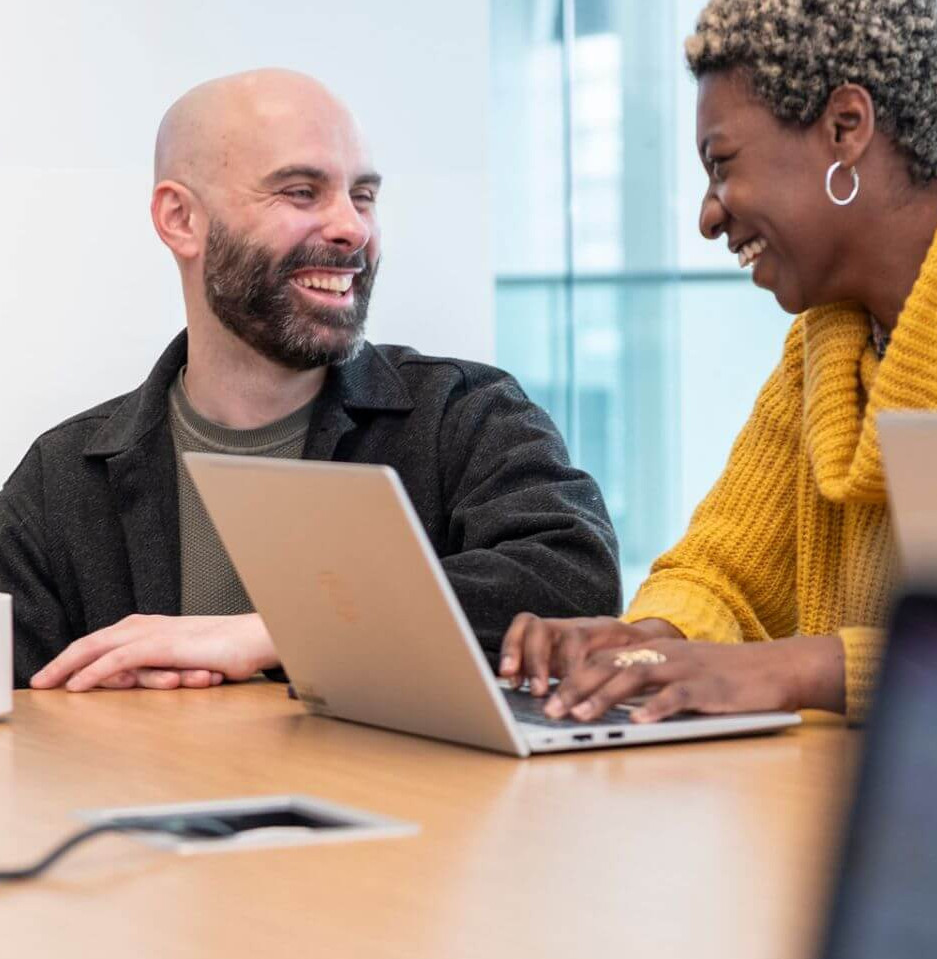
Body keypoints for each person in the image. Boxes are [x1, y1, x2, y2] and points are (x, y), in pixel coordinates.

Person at [499, 0, 937, 726]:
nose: (708, 215)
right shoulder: (830, 342)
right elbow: (721, 572)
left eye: (722, 164)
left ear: (847, 127)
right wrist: (642, 645)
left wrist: (800, 668)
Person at [4, 69, 620, 691]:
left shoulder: (465, 417)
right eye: (301, 192)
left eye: (364, 196)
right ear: (181, 219)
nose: (353, 227)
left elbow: (574, 583)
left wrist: (273, 632)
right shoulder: (61, 481)